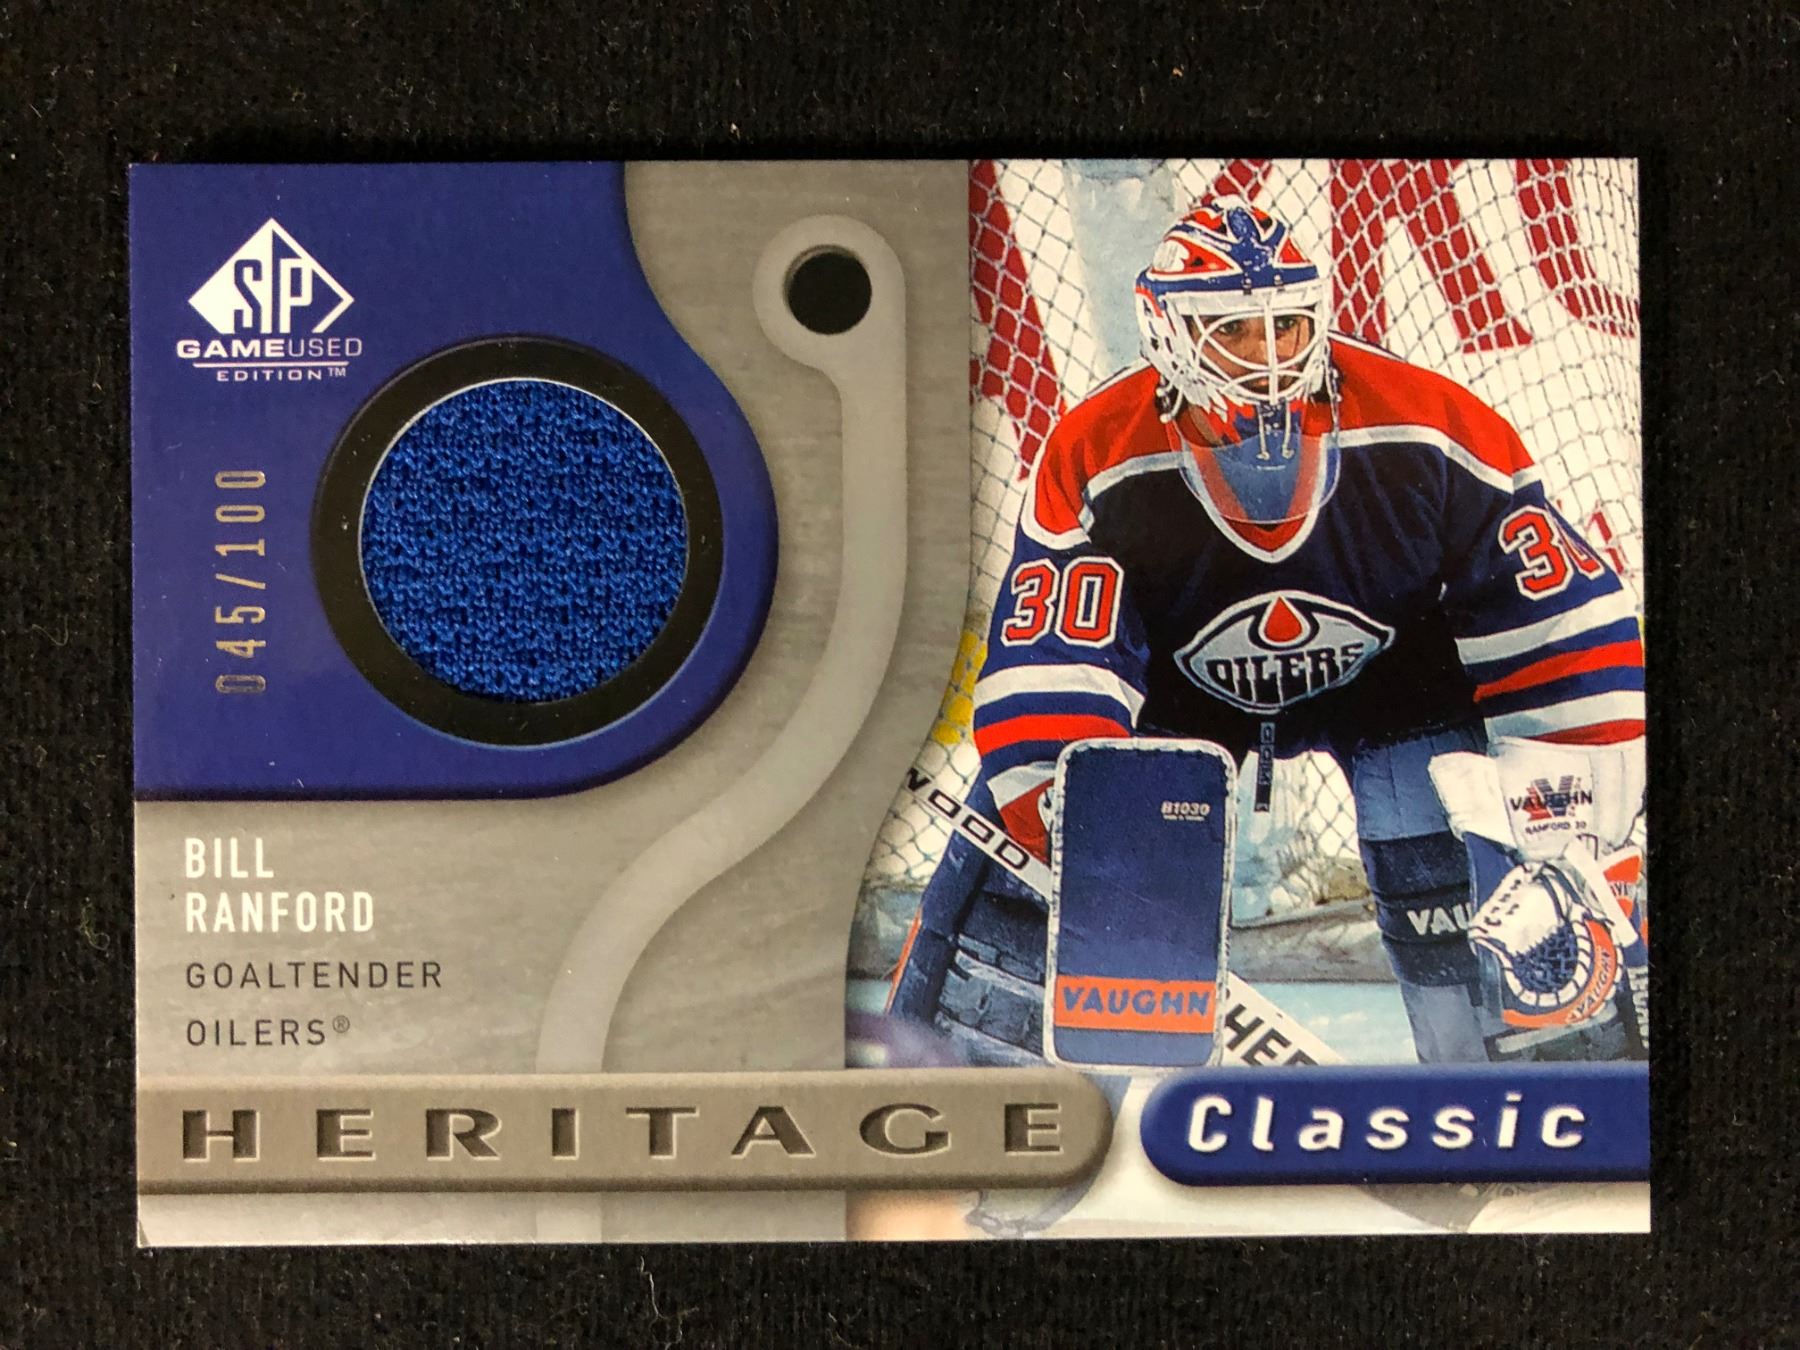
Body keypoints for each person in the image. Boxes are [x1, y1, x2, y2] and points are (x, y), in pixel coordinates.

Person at [889, 195, 1646, 1066]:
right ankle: (990, 1102)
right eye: (1236, 332)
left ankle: (1512, 1094)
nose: (1270, 355)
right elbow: (1058, 655)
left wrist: (1571, 826)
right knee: (1021, 890)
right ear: (1168, 332)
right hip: (1172, 704)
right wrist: (1056, 813)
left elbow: (1556, 626)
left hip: (1397, 691)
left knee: (1491, 852)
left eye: (1285, 326)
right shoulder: (1097, 449)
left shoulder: (1431, 425)